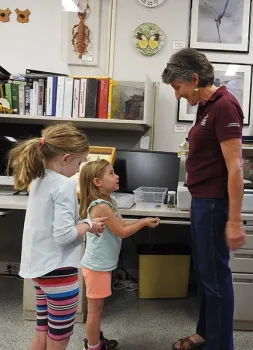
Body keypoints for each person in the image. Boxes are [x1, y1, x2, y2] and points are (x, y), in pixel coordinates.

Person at [162, 48, 246, 350]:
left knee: (216, 280)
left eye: (177, 87)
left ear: (194, 79)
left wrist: (234, 221)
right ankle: (204, 333)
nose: (177, 94)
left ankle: (221, 346)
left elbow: (235, 168)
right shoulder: (206, 106)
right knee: (204, 275)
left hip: (214, 205)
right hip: (203, 202)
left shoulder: (225, 106)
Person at [7, 123, 107, 350]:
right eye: (80, 163)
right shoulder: (63, 185)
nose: (79, 168)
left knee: (42, 331)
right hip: (58, 272)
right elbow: (64, 236)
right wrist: (89, 225)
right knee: (58, 338)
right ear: (65, 158)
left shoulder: (39, 180)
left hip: (40, 270)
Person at [78, 159, 160, 350]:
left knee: (97, 309)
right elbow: (122, 232)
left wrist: (143, 220)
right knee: (95, 311)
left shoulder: (109, 201)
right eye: (111, 173)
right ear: (98, 182)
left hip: (101, 264)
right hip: (96, 265)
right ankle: (93, 346)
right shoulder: (100, 205)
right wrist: (142, 224)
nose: (117, 176)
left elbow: (120, 224)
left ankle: (95, 340)